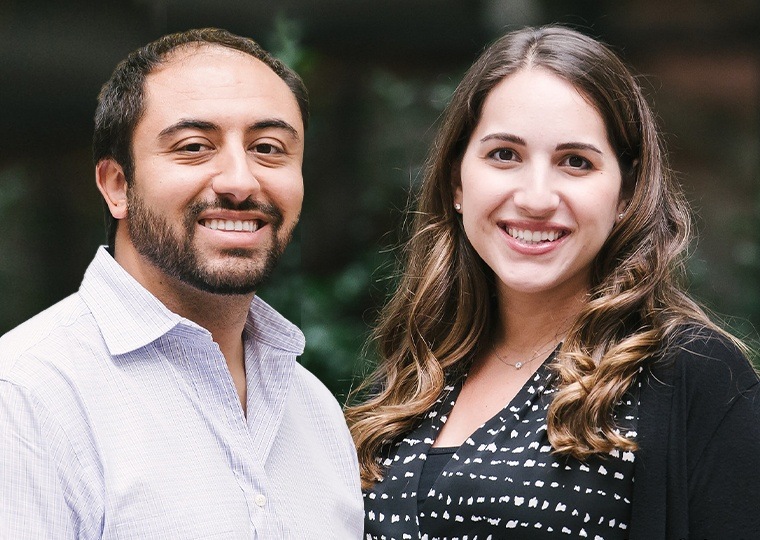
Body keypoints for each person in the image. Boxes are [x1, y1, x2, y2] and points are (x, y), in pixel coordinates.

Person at [346, 25, 760, 539]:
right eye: (504, 155)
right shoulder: (410, 381)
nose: (537, 197)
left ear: (626, 193)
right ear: (457, 180)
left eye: (575, 162)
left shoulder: (689, 375)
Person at [0, 28, 363, 538]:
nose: (240, 181)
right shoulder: (26, 396)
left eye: (268, 148)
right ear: (117, 186)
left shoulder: (316, 411)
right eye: (195, 147)